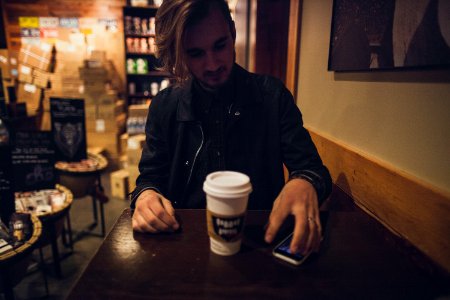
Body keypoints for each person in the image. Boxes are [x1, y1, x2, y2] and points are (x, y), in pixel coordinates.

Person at [130, 0, 332, 256]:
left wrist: (305, 183)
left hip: (259, 248)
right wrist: (146, 196)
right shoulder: (163, 107)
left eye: (220, 45)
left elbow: (313, 170)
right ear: (180, 53)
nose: (213, 64)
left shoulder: (272, 96)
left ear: (233, 32)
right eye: (196, 53)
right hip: (180, 248)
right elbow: (149, 179)